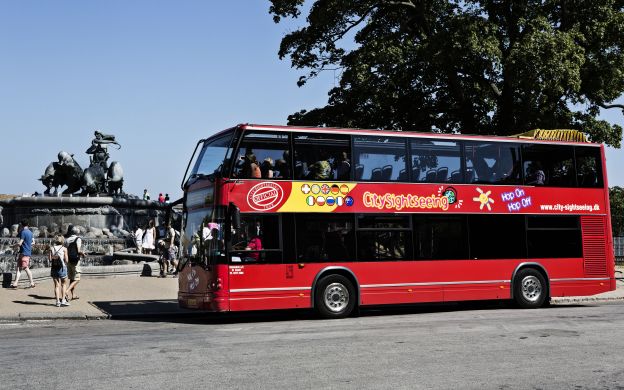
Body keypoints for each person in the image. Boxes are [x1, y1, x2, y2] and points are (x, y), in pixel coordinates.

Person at [10, 220, 36, 289]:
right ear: (28, 224)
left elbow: (20, 243)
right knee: (19, 268)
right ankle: (15, 283)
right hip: (26, 252)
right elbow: (33, 242)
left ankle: (32, 283)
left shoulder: (23, 232)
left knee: (26, 268)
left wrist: (13, 246)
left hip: (24, 253)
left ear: (21, 225)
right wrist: (28, 245)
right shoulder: (30, 232)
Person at [49, 235, 70, 307]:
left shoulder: (51, 248)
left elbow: (50, 259)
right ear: (62, 241)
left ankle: (57, 301)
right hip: (62, 268)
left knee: (56, 286)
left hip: (54, 268)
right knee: (63, 284)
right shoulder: (64, 249)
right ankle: (63, 300)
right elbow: (66, 260)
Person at [65, 226, 83, 301]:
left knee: (72, 278)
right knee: (77, 279)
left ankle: (73, 295)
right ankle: (66, 291)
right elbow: (78, 251)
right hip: (75, 260)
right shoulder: (78, 239)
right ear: (77, 232)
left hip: (69, 260)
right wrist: (83, 253)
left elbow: (65, 250)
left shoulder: (67, 240)